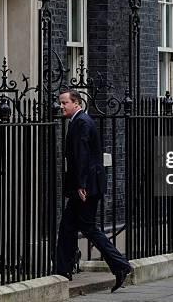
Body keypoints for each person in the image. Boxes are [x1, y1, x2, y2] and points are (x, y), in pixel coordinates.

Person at [56, 89, 132, 293]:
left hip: (86, 186)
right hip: (86, 184)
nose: (61, 106)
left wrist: (80, 185)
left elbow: (81, 156)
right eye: (60, 103)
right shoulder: (81, 120)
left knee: (87, 227)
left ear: (76, 103)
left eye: (64, 103)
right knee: (68, 226)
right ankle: (62, 270)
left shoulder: (81, 122)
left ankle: (120, 265)